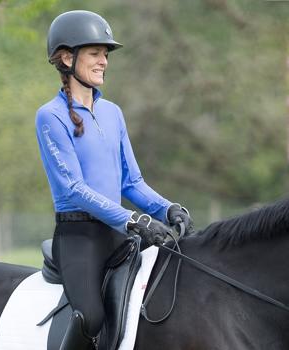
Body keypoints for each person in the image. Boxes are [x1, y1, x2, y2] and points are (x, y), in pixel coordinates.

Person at [35, 10, 193, 350]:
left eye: (105, 54)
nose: (104, 61)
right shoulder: (50, 116)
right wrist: (134, 219)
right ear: (66, 57)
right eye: (95, 53)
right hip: (80, 237)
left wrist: (169, 210)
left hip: (119, 235)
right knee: (90, 317)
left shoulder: (113, 113)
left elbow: (131, 182)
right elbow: (74, 189)